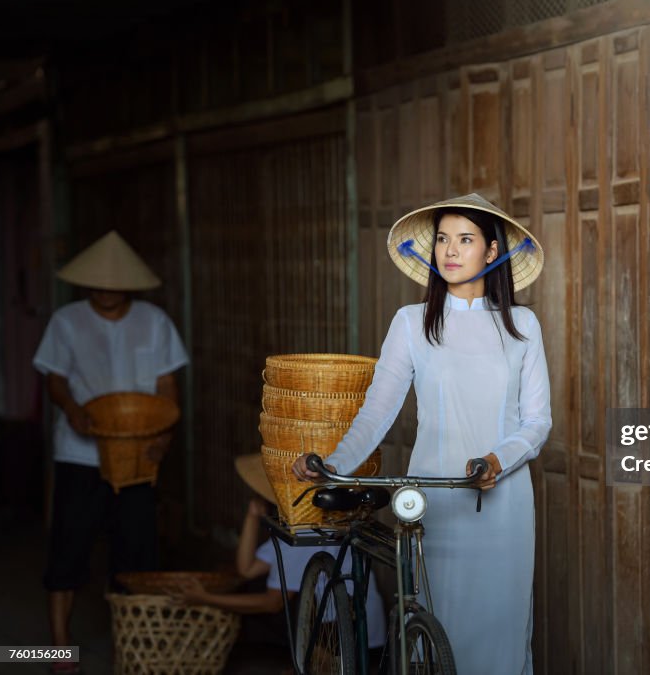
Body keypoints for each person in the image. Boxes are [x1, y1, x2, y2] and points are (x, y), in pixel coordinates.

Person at [292, 193, 552, 674]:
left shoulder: (523, 327)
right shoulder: (412, 324)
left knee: (502, 632)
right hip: (435, 500)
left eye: (466, 240)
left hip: (505, 506)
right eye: (443, 240)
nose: (450, 251)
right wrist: (333, 465)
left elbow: (537, 422)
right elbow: (377, 412)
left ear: (492, 252)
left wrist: (497, 460)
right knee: (437, 623)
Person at [32, 230, 189, 672]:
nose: (105, 288)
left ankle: (131, 647)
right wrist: (71, 408)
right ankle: (59, 649)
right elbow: (56, 380)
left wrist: (164, 437)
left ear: (130, 284)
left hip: (139, 458)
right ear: (86, 283)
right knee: (67, 548)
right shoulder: (66, 321)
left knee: (135, 553)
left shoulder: (155, 322)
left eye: (114, 282)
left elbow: (167, 387)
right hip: (79, 453)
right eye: (97, 282)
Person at [173, 454, 386, 658]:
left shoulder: (305, 532)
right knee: (253, 585)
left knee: (274, 601)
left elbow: (272, 603)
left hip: (353, 637)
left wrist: (205, 599)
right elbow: (247, 570)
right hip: (352, 629)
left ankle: (314, 660)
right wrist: (252, 516)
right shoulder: (294, 528)